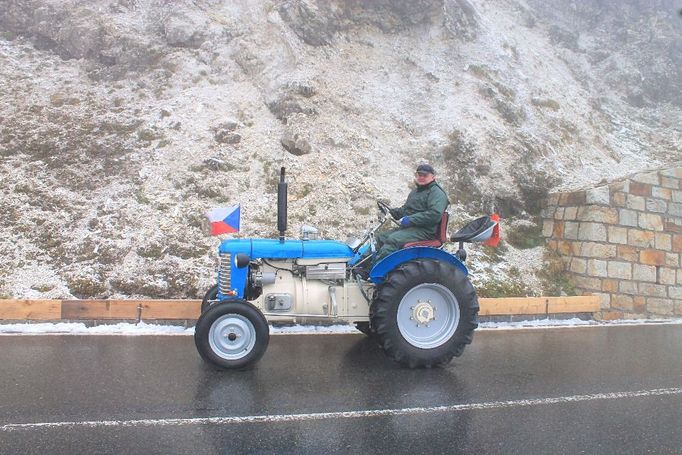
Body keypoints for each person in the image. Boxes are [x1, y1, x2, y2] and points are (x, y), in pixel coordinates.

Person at [375, 164, 449, 261]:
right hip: (411, 228)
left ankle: (377, 272)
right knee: (380, 237)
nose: (421, 177)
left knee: (393, 240)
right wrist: (394, 212)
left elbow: (434, 214)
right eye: (419, 175)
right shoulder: (416, 192)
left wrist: (410, 220)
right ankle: (362, 268)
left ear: (433, 177)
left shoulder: (437, 193)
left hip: (425, 231)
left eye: (425, 175)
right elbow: (407, 209)